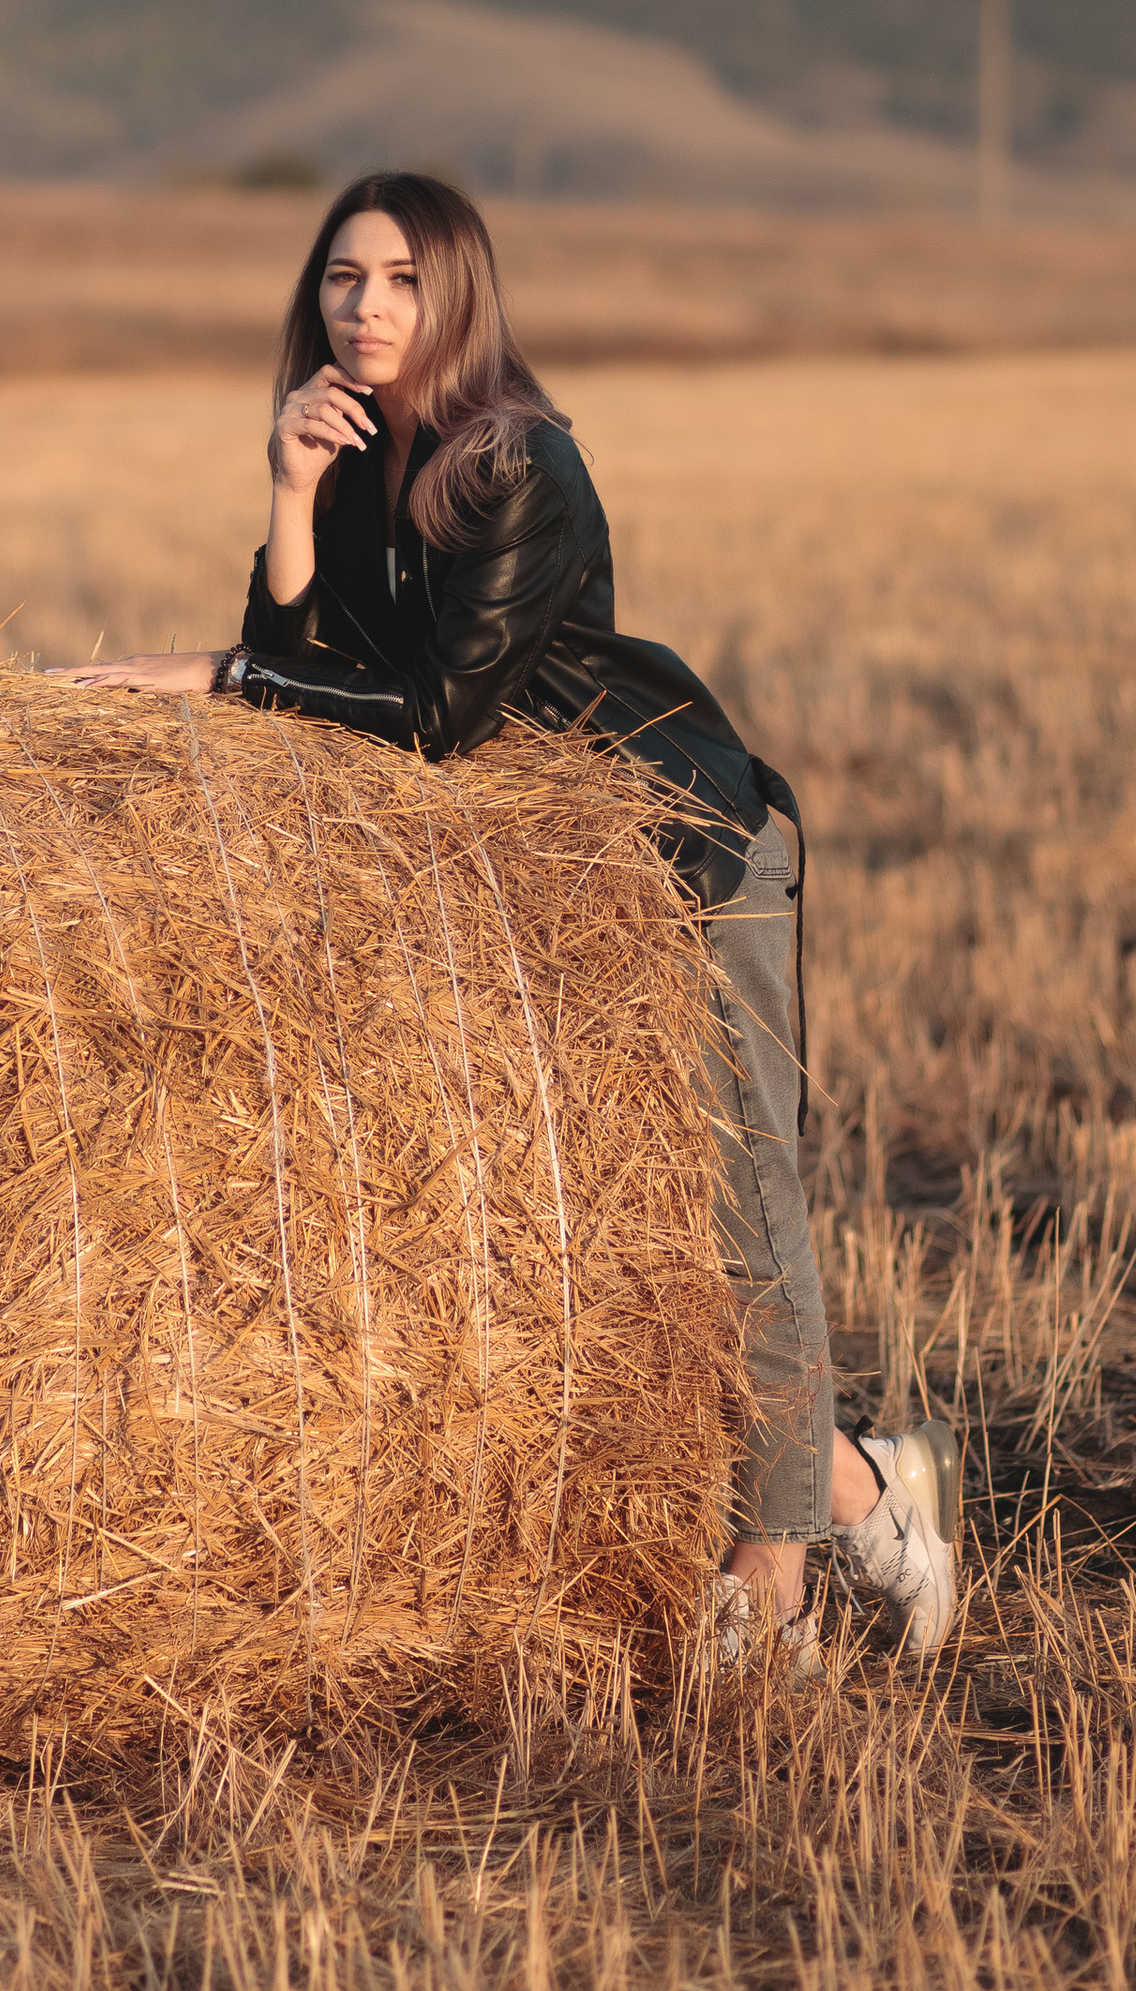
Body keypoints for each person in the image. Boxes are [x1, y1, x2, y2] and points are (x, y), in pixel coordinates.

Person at [67, 168, 959, 1673]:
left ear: (459, 296)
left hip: (679, 854)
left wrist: (209, 674)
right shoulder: (353, 451)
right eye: (344, 278)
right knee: (607, 1237)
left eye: (404, 280)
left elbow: (422, 714)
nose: (367, 307)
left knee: (740, 1219)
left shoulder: (524, 464)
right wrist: (286, 495)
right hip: (527, 887)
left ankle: (776, 1576)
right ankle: (876, 1483)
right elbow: (312, 684)